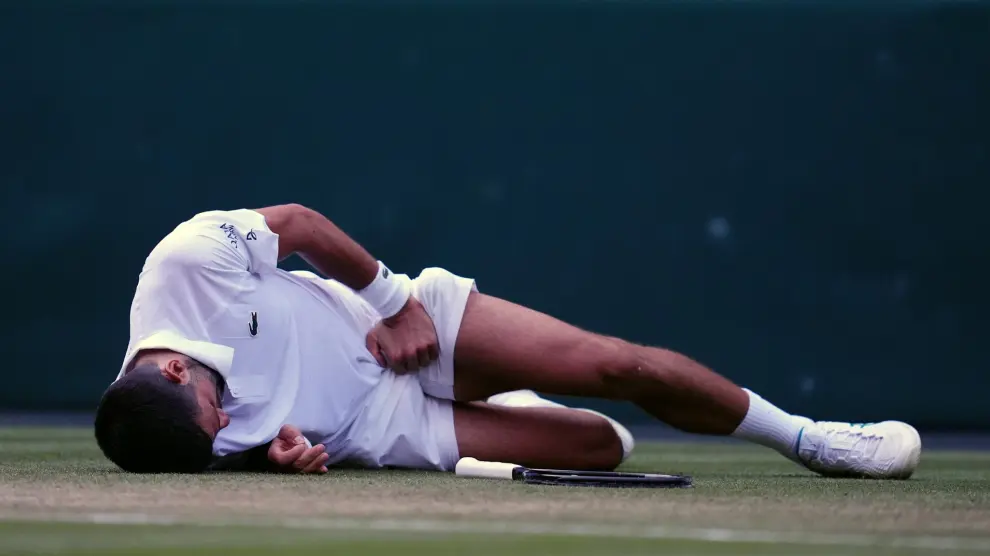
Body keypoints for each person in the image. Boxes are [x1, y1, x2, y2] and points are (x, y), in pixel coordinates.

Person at [95, 204, 921, 478]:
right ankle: (505, 403)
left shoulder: (186, 261)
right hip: (381, 429)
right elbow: (230, 449)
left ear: (174, 364)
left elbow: (302, 226)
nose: (226, 418)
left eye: (216, 411)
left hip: (399, 330)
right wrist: (273, 461)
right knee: (602, 448)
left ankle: (811, 440)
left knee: (617, 367)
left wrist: (391, 302)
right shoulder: (174, 428)